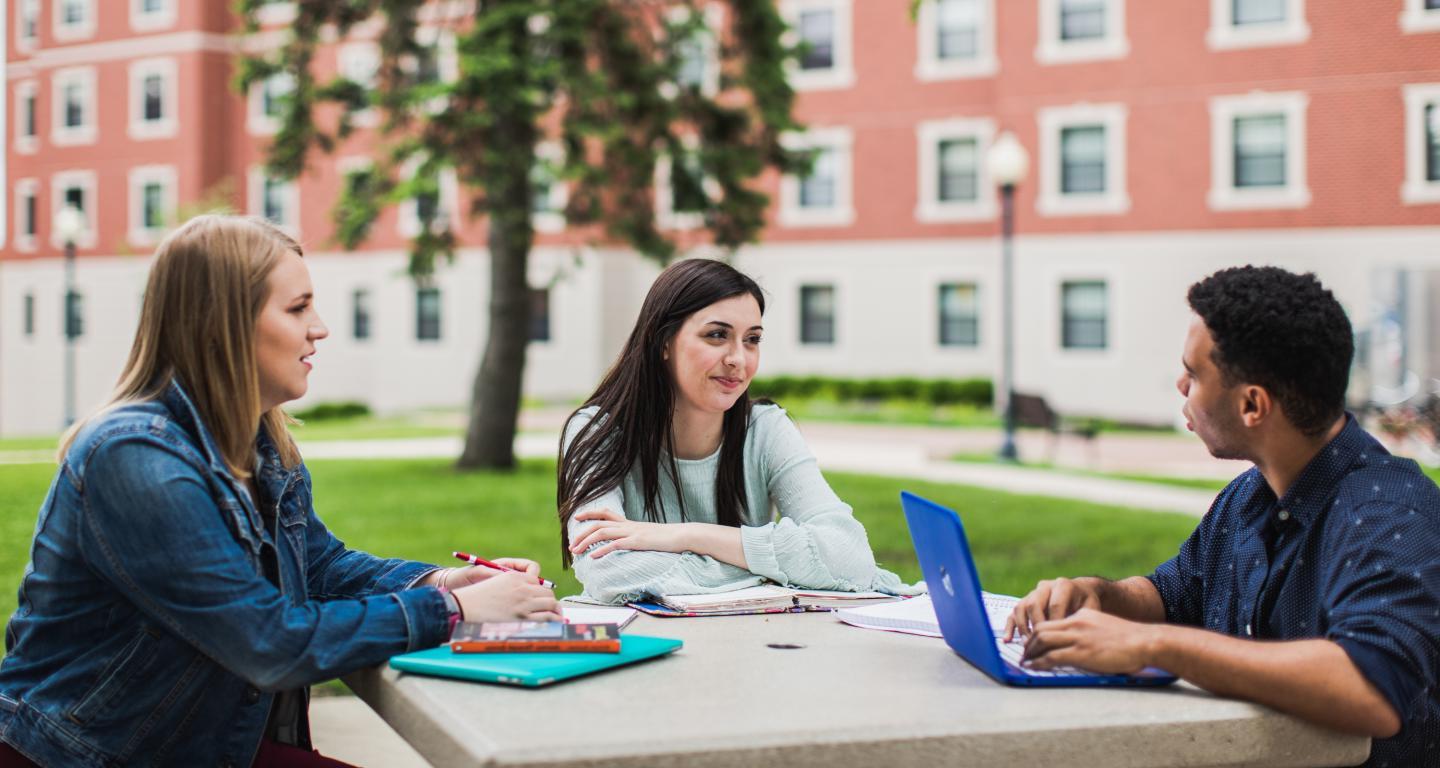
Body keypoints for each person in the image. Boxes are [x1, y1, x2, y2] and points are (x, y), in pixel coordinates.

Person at [0, 215, 560, 768]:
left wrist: (441, 579)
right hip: (90, 754)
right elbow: (268, 643)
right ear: (224, 326)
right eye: (297, 308)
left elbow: (320, 568)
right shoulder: (134, 458)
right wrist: (454, 609)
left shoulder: (260, 440)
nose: (320, 328)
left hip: (195, 745)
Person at [1004, 266, 1439, 766]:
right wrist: (1097, 596)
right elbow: (1174, 594)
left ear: (1253, 404)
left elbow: (1372, 689)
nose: (1180, 383)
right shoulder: (1251, 494)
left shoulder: (1389, 515)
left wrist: (1152, 646)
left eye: (1194, 373)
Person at [558, 259, 919, 604]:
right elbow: (607, 569)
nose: (739, 360)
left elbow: (849, 557)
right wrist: (778, 570)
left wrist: (685, 535)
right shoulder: (596, 432)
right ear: (663, 342)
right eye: (717, 335)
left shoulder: (766, 428)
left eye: (752, 339)